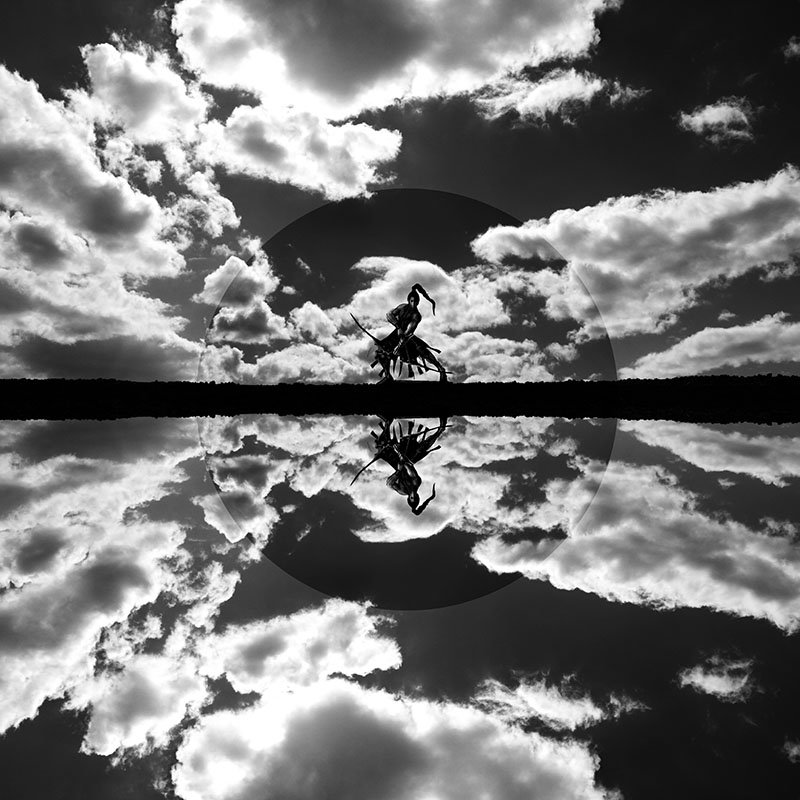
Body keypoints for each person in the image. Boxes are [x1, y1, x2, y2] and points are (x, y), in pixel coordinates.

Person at [372, 284, 448, 383]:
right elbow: (389, 315)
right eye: (412, 301)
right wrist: (398, 327)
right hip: (396, 334)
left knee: (423, 352)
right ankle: (387, 376)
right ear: (409, 300)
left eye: (415, 302)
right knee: (381, 353)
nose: (413, 304)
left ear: (418, 302)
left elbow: (408, 331)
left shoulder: (416, 316)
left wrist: (398, 347)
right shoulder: (402, 307)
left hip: (408, 337)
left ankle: (441, 370)